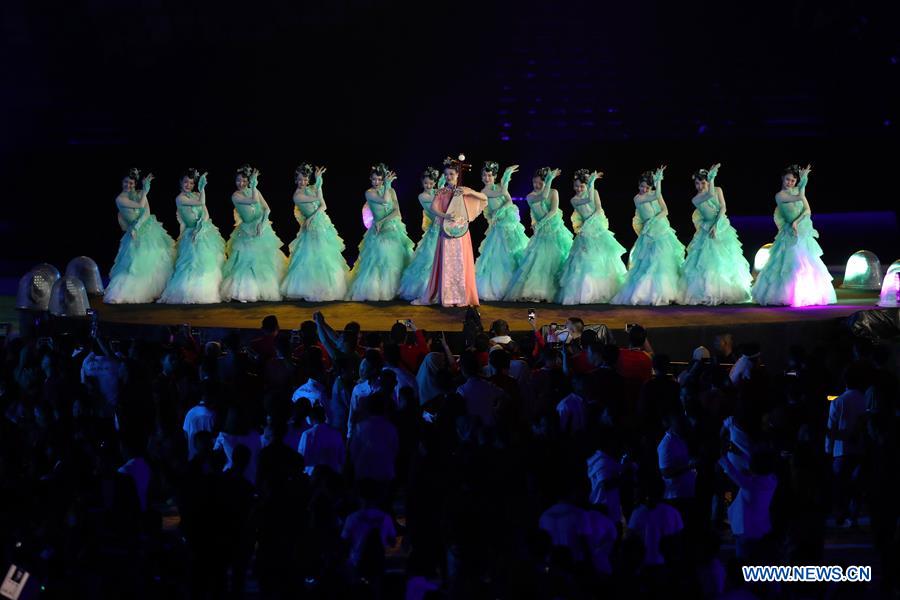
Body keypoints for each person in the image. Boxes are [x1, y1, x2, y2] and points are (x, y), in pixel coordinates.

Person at [751, 164, 836, 306]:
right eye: (787, 179)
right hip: (789, 233)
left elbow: (808, 210)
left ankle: (808, 293)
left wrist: (797, 221)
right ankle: (788, 294)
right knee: (790, 264)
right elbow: (800, 197)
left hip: (802, 230)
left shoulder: (796, 190)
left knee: (807, 263)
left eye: (793, 180)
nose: (790, 182)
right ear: (782, 179)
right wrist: (804, 180)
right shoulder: (780, 195)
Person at [414, 156, 488, 307]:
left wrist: (469, 193)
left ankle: (462, 297)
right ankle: (448, 297)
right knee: (447, 263)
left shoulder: (462, 190)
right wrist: (445, 216)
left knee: (461, 262)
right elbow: (434, 209)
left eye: (452, 174)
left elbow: (484, 198)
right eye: (446, 174)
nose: (449, 177)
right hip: (446, 230)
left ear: (457, 175)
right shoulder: (441, 192)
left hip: (461, 232)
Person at [678, 164, 752, 305]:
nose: (700, 186)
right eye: (697, 183)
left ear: (708, 182)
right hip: (707, 228)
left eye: (703, 182)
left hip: (721, 225)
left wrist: (717, 225)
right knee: (708, 260)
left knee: (726, 259)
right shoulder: (696, 199)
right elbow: (709, 195)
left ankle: (727, 290)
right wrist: (712, 177)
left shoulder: (718, 190)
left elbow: (723, 207)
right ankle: (708, 291)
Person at [611, 166, 685, 305]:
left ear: (650, 187)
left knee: (663, 260)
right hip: (648, 232)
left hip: (660, 228)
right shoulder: (637, 198)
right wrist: (657, 184)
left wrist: (658, 181)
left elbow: (665, 210)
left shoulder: (654, 194)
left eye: (646, 187)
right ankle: (646, 291)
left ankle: (666, 291)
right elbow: (654, 197)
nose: (643, 189)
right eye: (642, 186)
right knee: (647, 261)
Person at [104, 168, 175, 303]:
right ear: (122, 182)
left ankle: (155, 290)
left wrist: (138, 225)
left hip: (147, 228)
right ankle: (130, 292)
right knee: (135, 264)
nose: (128, 185)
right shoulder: (120, 199)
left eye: (131, 183)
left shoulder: (140, 194)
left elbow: (146, 211)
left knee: (156, 260)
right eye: (126, 182)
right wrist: (145, 192)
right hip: (134, 233)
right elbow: (138, 206)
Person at [503, 167, 574, 302]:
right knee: (539, 262)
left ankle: (557, 292)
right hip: (542, 234)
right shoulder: (530, 196)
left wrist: (540, 223)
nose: (537, 185)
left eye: (540, 182)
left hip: (555, 230)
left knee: (557, 260)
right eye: (534, 182)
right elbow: (542, 198)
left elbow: (553, 211)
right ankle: (536, 292)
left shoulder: (554, 192)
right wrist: (537, 223)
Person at [557, 170, 627, 304]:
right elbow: (587, 200)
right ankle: (584, 291)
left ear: (586, 186)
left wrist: (591, 184)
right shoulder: (574, 200)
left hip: (597, 228)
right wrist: (592, 182)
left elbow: (598, 208)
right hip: (585, 231)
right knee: (583, 259)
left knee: (604, 258)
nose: (578, 188)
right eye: (576, 186)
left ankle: (606, 289)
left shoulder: (594, 192)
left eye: (581, 186)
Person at [281, 163, 349, 301]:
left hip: (321, 223)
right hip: (312, 228)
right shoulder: (297, 195)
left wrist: (311, 216)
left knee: (326, 256)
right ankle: (310, 289)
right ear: (295, 180)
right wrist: (318, 181)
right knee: (311, 257)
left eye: (305, 179)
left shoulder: (312, 188)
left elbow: (324, 205)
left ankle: (328, 287)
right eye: (300, 179)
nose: (303, 182)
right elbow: (317, 198)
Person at [347, 163, 415, 301]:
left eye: (379, 179)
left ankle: (399, 289)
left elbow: (397, 211)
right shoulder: (369, 193)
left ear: (383, 179)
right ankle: (380, 291)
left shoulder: (391, 191)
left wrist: (383, 221)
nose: (376, 182)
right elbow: (384, 201)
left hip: (392, 227)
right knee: (381, 258)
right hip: (379, 231)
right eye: (374, 179)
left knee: (398, 257)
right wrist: (388, 186)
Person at [220, 164, 287, 302]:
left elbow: (267, 209)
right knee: (247, 261)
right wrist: (255, 186)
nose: (241, 183)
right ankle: (245, 291)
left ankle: (264, 289)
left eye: (244, 180)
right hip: (246, 231)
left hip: (261, 228)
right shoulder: (236, 195)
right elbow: (254, 200)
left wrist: (262, 224)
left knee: (265, 262)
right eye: (238, 180)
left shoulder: (254, 190)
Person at [159, 168, 225, 304]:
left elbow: (205, 212)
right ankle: (189, 292)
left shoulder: (196, 195)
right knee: (191, 263)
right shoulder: (180, 198)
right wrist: (203, 189)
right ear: (180, 183)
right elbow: (201, 203)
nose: (188, 185)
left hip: (203, 231)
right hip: (190, 233)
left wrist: (201, 225)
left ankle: (206, 291)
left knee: (207, 263)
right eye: (186, 182)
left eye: (191, 183)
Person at [474, 161, 530, 301]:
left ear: (494, 177)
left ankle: (516, 287)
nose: (487, 178)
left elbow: (509, 200)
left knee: (514, 253)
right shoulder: (485, 191)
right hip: (498, 228)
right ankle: (500, 287)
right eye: (485, 175)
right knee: (499, 256)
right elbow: (501, 192)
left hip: (509, 225)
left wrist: (502, 210)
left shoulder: (499, 186)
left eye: (490, 175)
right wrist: (506, 175)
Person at [398, 167, 444, 300]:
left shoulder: (437, 191)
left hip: (443, 227)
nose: (428, 186)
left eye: (431, 183)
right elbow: (435, 209)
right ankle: (426, 289)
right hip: (434, 229)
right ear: (422, 183)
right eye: (426, 183)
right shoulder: (422, 196)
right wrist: (440, 189)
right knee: (430, 258)